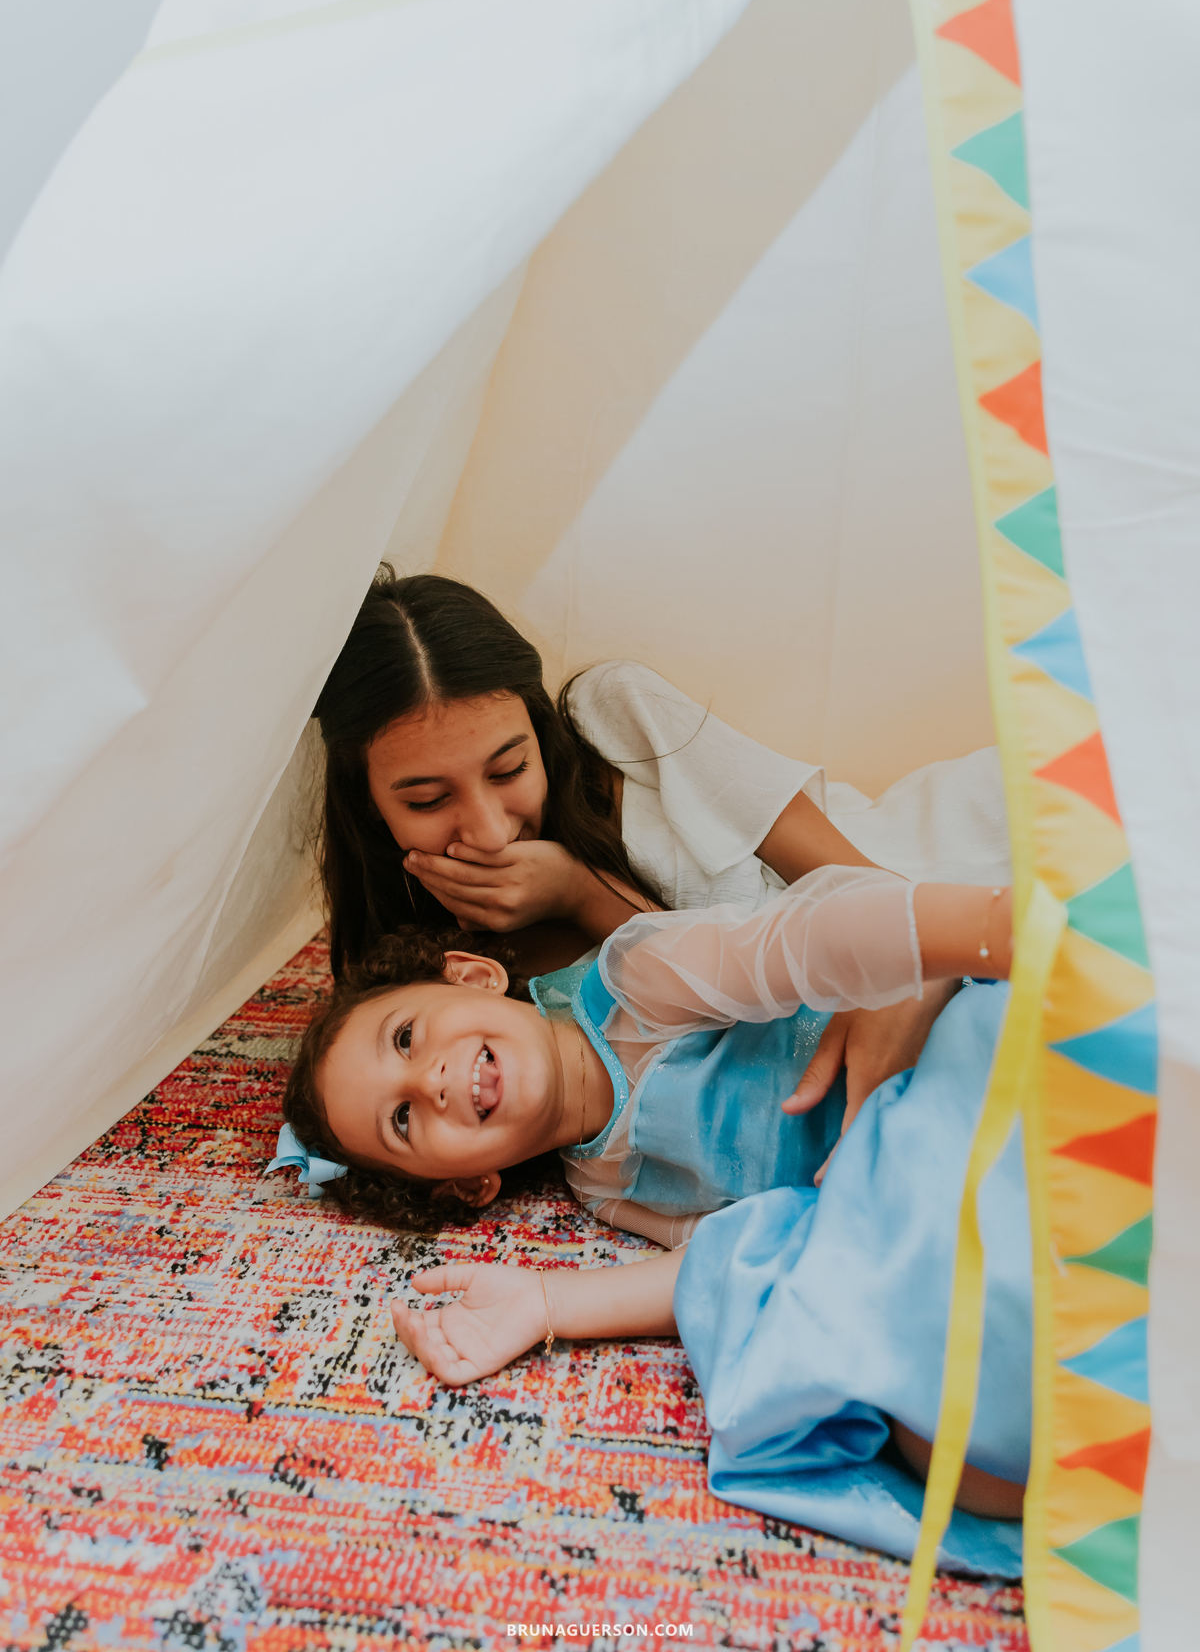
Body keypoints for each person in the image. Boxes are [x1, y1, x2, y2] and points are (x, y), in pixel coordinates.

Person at [274, 867, 1027, 1575]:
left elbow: (811, 939)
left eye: (406, 1037)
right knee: (944, 1445)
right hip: (887, 1201)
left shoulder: (635, 984)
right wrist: (546, 1301)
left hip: (943, 1063)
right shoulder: (599, 1184)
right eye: (402, 1119)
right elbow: (732, 1251)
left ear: (472, 976)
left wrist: (982, 932)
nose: (430, 1079)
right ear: (468, 1183)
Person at [313, 567, 1011, 1152]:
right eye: (429, 800)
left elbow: (864, 886)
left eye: (509, 768)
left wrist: (580, 892)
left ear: (536, 724)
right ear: (368, 801)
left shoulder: (620, 721)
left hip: (927, 884)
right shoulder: (426, 985)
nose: (492, 832)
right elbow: (681, 1059)